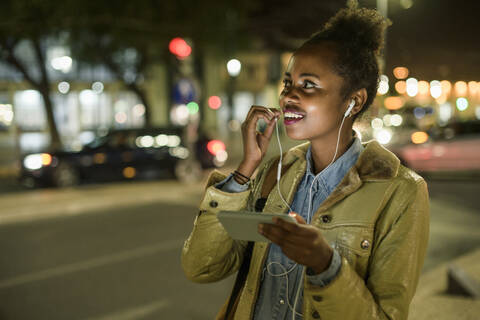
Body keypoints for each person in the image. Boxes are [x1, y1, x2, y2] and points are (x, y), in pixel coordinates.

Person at [181, 1, 430, 319]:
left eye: (308, 85)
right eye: (288, 84)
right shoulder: (272, 174)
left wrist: (327, 266)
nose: (287, 96)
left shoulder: (401, 194)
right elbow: (200, 268)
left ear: (353, 101)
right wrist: (244, 173)